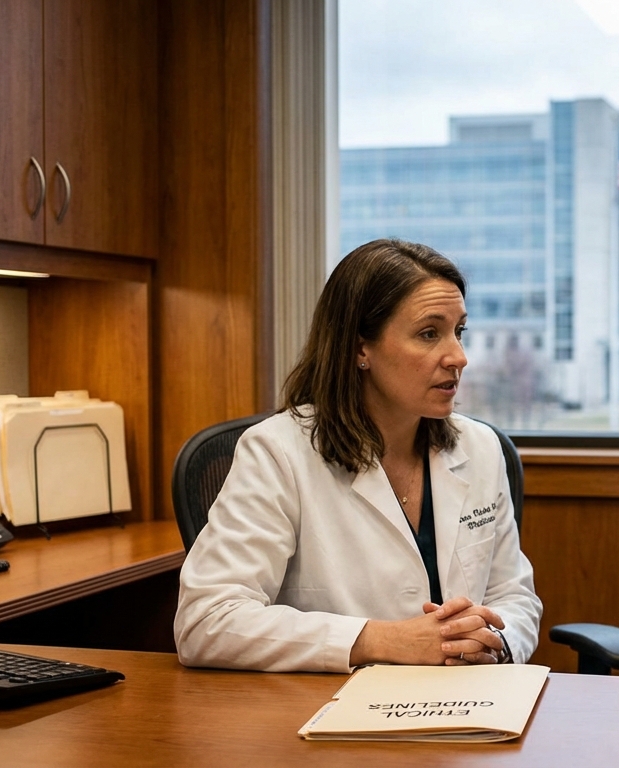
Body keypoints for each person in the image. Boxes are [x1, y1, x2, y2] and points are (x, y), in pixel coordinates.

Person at [174, 239, 542, 673]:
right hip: (331, 713)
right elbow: (206, 622)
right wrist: (380, 639)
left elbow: (514, 596)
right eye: (429, 333)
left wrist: (493, 640)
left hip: (469, 703)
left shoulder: (479, 447)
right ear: (359, 348)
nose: (458, 357)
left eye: (458, 331)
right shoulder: (278, 452)